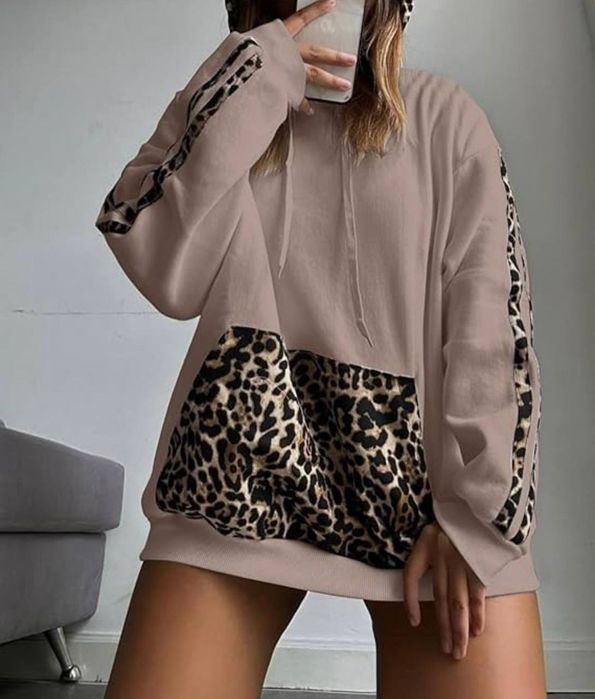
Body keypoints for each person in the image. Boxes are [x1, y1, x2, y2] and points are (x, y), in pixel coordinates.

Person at [95, 0, 547, 696]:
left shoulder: (445, 119)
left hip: (431, 507)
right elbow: (154, 256)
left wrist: (478, 520)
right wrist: (250, 75)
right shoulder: (236, 109)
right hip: (234, 487)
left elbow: (496, 337)